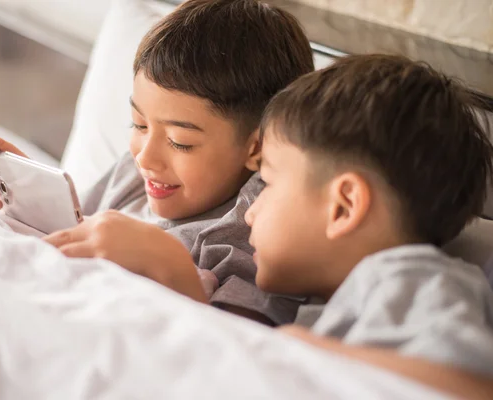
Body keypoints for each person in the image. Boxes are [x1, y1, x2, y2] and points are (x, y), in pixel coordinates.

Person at [47, 55, 493, 398]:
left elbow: (474, 389)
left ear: (343, 206)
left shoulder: (410, 278)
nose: (252, 211)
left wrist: (296, 347)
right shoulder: (332, 300)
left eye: (270, 183)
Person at [0, 0, 315, 325]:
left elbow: (241, 352)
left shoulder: (257, 230)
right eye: (138, 125)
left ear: (257, 148)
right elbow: (78, 232)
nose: (145, 157)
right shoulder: (134, 173)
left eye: (180, 142)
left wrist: (166, 262)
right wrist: (36, 204)